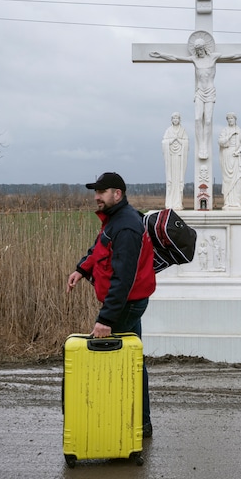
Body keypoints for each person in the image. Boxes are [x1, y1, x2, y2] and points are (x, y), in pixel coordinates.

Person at [67, 172, 156, 437]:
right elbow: (100, 247)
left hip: (126, 303)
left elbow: (123, 278)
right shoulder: (115, 220)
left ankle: (122, 423)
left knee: (115, 361)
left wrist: (105, 319)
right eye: (95, 192)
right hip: (127, 302)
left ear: (117, 194)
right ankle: (141, 422)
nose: (96, 197)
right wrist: (82, 269)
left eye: (102, 192)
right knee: (133, 361)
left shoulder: (126, 226)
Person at [149, 32, 241, 159]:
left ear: (204, 48)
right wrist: (160, 55)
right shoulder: (194, 59)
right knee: (197, 119)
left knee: (207, 120)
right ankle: (201, 145)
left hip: (210, 92)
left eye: (200, 49)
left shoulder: (213, 57)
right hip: (200, 92)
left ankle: (205, 146)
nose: (199, 52)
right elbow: (175, 57)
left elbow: (233, 56)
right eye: (197, 50)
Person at [218, 112, 241, 210]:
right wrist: (230, 135)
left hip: (236, 156)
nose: (230, 120)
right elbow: (221, 142)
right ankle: (228, 202)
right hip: (227, 156)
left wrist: (238, 151)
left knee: (237, 180)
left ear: (235, 119)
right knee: (227, 180)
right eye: (228, 119)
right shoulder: (225, 131)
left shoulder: (239, 131)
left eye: (232, 118)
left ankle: (237, 202)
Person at [162, 113, 189, 211]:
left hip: (179, 159)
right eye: (174, 118)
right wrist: (172, 140)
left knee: (178, 180)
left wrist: (180, 141)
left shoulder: (183, 131)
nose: (176, 119)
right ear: (171, 120)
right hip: (171, 159)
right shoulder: (168, 131)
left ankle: (178, 202)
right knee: (171, 180)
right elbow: (164, 143)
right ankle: (170, 203)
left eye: (177, 118)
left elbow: (186, 143)